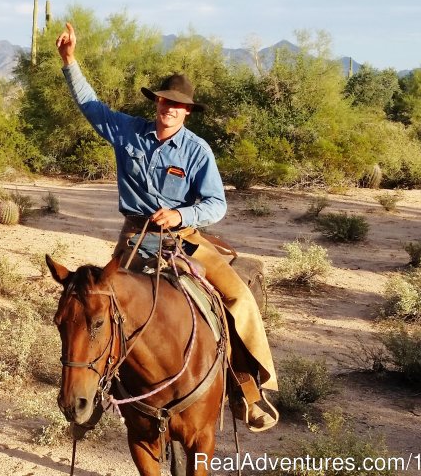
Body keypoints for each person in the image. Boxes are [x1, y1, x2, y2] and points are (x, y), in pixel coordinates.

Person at [55, 22, 279, 433]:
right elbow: (91, 106)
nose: (168, 109)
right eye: (163, 102)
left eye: (176, 105)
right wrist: (70, 61)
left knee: (238, 297)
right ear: (155, 103)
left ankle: (248, 389)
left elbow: (216, 204)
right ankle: (98, 393)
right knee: (94, 308)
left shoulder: (197, 151)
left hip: (182, 242)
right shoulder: (128, 133)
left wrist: (180, 216)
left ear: (187, 111)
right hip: (133, 241)